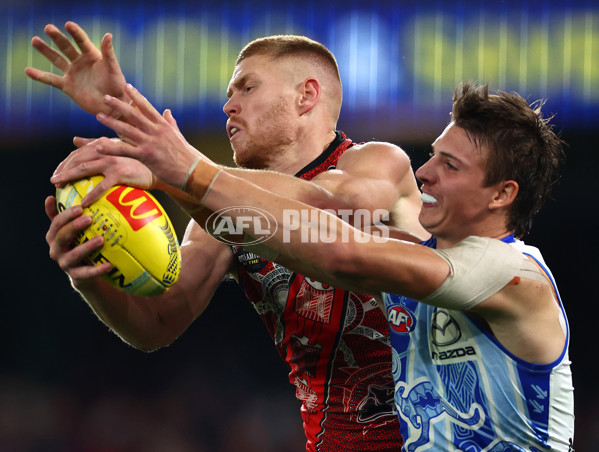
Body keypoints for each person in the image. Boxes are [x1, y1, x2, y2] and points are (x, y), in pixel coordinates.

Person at [88, 81, 575, 450]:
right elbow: (305, 216)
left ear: (502, 194)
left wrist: (184, 170)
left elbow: (339, 251)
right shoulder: (417, 253)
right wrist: (169, 180)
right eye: (432, 156)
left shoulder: (513, 274)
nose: (424, 171)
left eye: (451, 166)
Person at [28, 22, 430, 450]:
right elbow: (157, 323)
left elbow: (335, 209)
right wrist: (90, 274)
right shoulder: (219, 215)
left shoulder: (378, 162)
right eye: (228, 96)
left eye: (246, 88)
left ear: (306, 96)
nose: (229, 107)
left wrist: (175, 169)